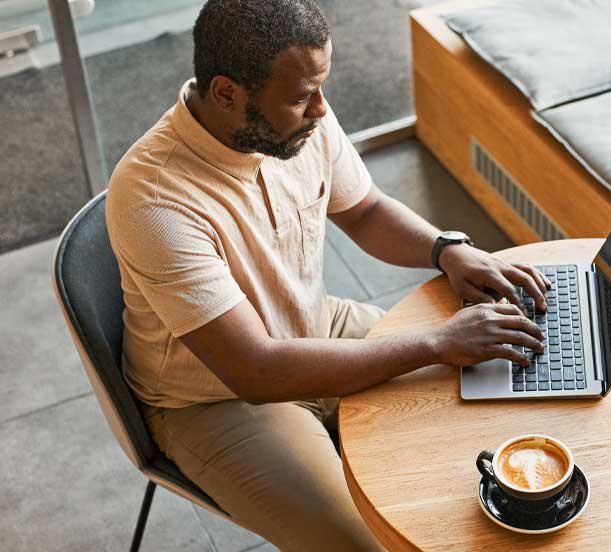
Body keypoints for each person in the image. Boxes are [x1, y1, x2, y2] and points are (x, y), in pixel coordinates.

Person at [105, 1, 549, 549]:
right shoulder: (154, 200)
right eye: (300, 97)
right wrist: (437, 342)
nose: (321, 109)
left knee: (489, 400)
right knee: (370, 543)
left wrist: (446, 250)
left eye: (320, 88)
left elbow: (363, 211)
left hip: (320, 326)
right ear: (226, 94)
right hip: (217, 400)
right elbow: (257, 371)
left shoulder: (296, 117)